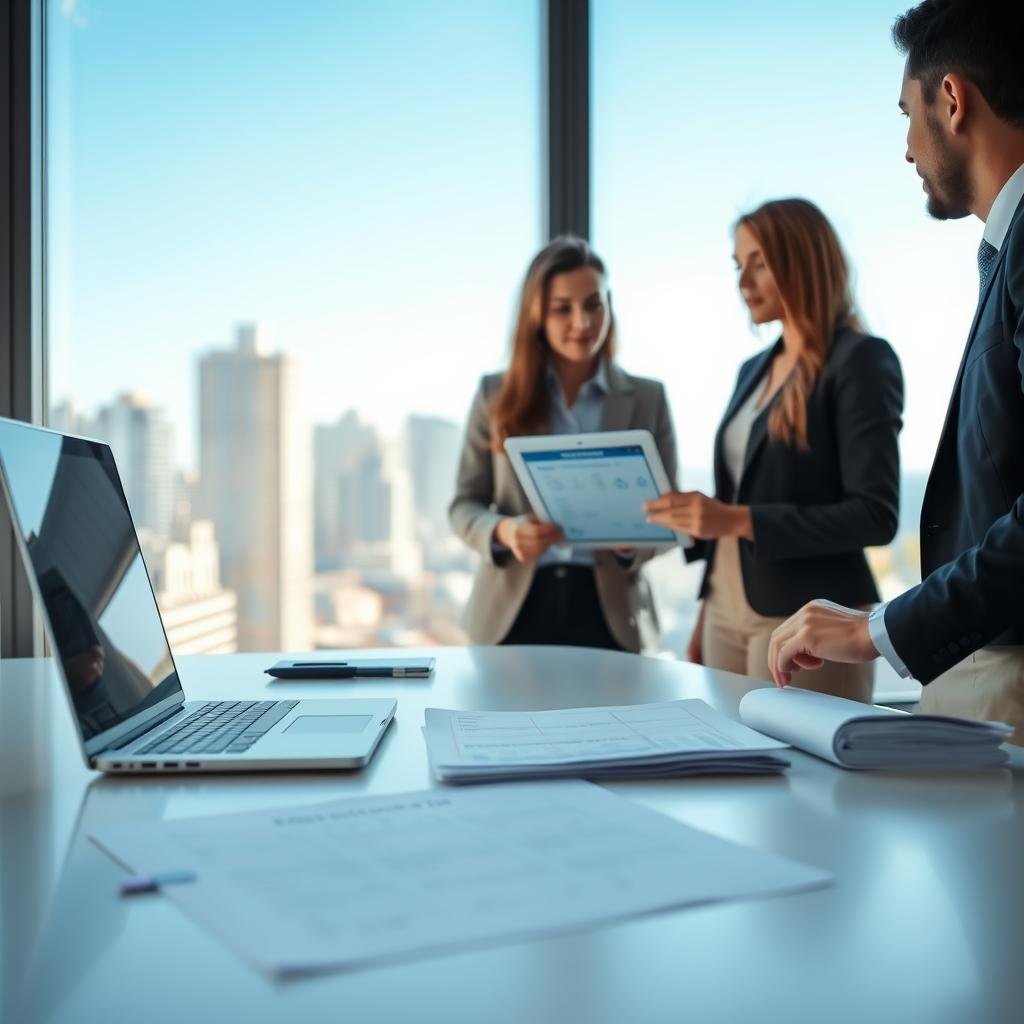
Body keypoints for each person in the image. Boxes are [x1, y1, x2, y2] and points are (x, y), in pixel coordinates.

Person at [766, 0, 1024, 740]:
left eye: (906, 114)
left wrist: (880, 630)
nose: (907, 149)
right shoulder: (1006, 251)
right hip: (977, 659)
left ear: (952, 100)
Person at [645, 199, 904, 700]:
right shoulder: (752, 370)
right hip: (726, 604)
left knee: (801, 774)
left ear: (804, 259)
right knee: (730, 767)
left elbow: (875, 514)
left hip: (808, 618)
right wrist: (707, 606)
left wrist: (736, 520)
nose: (744, 282)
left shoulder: (860, 360)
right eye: (738, 265)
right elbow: (735, 497)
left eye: (759, 263)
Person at [449, 236, 678, 653]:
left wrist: (633, 542)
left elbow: (672, 515)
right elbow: (463, 505)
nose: (582, 322)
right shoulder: (495, 394)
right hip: (512, 609)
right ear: (537, 314)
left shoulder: (648, 398)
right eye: (562, 308)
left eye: (594, 304)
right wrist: (504, 530)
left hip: (610, 611)